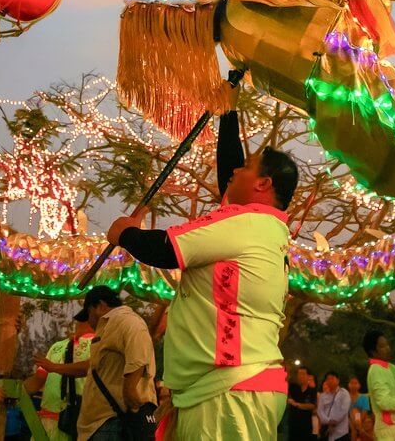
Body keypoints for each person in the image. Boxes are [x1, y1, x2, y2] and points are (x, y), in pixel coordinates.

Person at [107, 95, 299, 440]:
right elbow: (229, 173)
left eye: (247, 167)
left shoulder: (248, 224)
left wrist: (125, 233)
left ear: (263, 184)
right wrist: (228, 109)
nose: (235, 171)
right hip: (224, 389)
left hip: (230, 393)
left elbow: (166, 249)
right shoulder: (265, 226)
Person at [36, 285, 156, 441]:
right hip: (99, 425)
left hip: (114, 421)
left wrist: (130, 392)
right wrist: (55, 367)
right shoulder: (109, 327)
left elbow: (139, 356)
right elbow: (92, 367)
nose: (88, 321)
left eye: (88, 313)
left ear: (100, 306)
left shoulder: (126, 320)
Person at [23, 313, 93, 441]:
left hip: (75, 425)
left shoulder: (100, 345)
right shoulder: (58, 346)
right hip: (46, 424)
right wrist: (13, 390)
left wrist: (54, 367)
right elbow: (38, 380)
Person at [362, 329, 395, 441]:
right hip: (388, 431)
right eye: (383, 346)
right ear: (373, 352)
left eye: (387, 344)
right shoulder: (375, 370)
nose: (388, 348)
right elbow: (384, 402)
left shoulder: (389, 367)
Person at [317, 371, 351, 441]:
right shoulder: (323, 396)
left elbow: (344, 410)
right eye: (328, 379)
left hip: (341, 432)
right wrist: (328, 421)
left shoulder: (344, 393)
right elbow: (320, 411)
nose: (330, 381)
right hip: (327, 431)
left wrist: (334, 421)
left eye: (332, 378)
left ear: (338, 381)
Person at [286, 366, 317, 441]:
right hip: (293, 425)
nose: (300, 376)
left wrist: (296, 404)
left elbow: (312, 406)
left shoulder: (312, 390)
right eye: (299, 374)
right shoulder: (293, 387)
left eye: (303, 374)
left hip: (306, 426)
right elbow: (284, 380)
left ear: (308, 376)